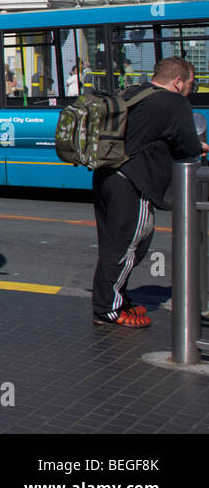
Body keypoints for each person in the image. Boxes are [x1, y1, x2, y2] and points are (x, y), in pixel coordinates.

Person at [92, 57, 206, 327]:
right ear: (177, 82)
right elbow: (188, 146)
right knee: (129, 246)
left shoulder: (133, 92)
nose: (192, 90)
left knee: (114, 244)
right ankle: (107, 310)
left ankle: (116, 300)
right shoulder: (174, 103)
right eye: (191, 84)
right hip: (133, 182)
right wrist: (199, 147)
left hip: (106, 175)